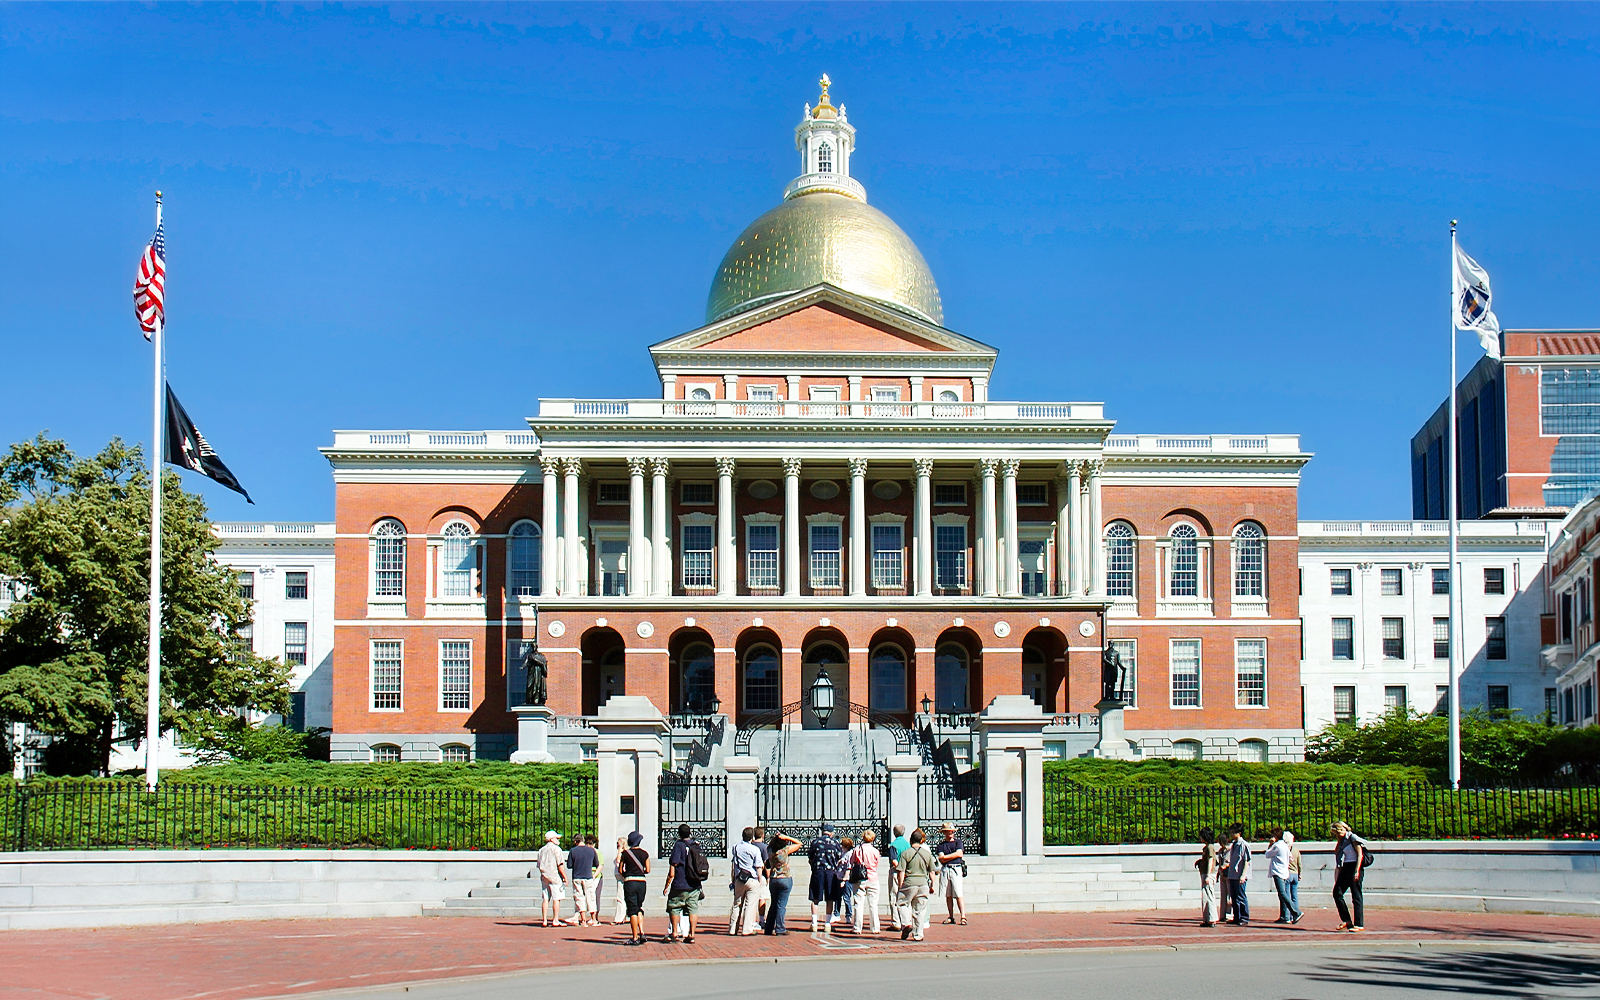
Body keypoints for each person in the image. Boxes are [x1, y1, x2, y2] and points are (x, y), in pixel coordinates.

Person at [662, 822, 702, 944]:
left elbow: (673, 867)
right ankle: (692, 934)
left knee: (674, 907)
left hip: (680, 882)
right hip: (694, 884)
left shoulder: (678, 845)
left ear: (679, 834)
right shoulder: (696, 845)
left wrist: (667, 884)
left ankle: (675, 932)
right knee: (693, 909)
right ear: (690, 833)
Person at [894, 828, 936, 941]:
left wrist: (900, 885)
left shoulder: (905, 853)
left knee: (902, 903)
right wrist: (932, 885)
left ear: (911, 840)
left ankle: (906, 923)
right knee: (920, 909)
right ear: (921, 840)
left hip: (909, 882)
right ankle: (918, 934)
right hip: (923, 884)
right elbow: (932, 871)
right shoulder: (927, 854)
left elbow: (901, 871)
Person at [762, 831, 802, 935]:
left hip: (774, 878)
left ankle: (769, 927)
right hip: (785, 877)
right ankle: (780, 928)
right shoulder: (784, 850)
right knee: (781, 905)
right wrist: (787, 837)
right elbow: (799, 843)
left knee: (774, 904)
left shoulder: (769, 850)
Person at [1330, 820, 1368, 932]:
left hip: (1354, 866)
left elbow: (1359, 854)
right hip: (1346, 866)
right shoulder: (1341, 841)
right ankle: (1347, 920)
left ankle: (1359, 924)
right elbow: (1339, 857)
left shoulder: (1352, 837)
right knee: (1337, 892)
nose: (1338, 834)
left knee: (1356, 895)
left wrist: (1357, 870)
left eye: (1338, 831)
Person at [808, 823, 845, 932]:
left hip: (817, 871)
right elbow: (839, 858)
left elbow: (810, 857)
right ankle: (827, 924)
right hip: (830, 872)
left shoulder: (815, 842)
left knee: (815, 898)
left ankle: (814, 923)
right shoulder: (835, 843)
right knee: (830, 898)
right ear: (831, 833)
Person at [617, 831, 651, 946]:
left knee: (632, 910)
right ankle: (642, 932)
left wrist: (627, 874)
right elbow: (648, 869)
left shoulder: (625, 854)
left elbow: (621, 869)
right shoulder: (645, 854)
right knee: (638, 907)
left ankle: (635, 937)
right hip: (642, 882)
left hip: (630, 881)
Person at [728, 826, 764, 936]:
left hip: (739, 878)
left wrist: (733, 879)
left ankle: (733, 928)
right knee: (750, 905)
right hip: (752, 878)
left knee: (737, 903)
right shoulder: (754, 849)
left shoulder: (736, 847)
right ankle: (747, 929)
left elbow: (734, 865)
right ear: (752, 837)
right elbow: (758, 866)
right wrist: (759, 879)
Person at [1264, 827, 1303, 925]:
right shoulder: (1285, 845)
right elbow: (1290, 857)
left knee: (1282, 893)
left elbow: (1267, 854)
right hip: (1285, 872)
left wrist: (1270, 844)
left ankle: (1295, 912)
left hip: (1278, 872)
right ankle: (1286, 916)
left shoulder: (1276, 845)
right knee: (1283, 894)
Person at [847, 829, 882, 934]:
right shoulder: (875, 851)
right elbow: (876, 864)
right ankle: (875, 927)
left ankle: (857, 927)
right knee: (873, 904)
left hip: (860, 878)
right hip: (873, 878)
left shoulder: (857, 849)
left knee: (858, 903)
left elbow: (851, 861)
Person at [935, 822, 967, 926]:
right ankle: (951, 916)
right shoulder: (941, 845)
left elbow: (959, 854)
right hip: (946, 870)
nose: (951, 833)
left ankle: (963, 916)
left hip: (956, 869)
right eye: (949, 831)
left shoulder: (958, 842)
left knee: (958, 893)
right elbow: (941, 859)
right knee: (948, 894)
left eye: (952, 831)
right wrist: (953, 856)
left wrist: (946, 857)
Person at [566, 833, 600, 927]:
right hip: (588, 876)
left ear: (575, 841)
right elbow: (596, 863)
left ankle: (583, 920)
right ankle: (593, 919)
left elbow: (569, 865)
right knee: (591, 897)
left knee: (579, 898)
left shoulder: (573, 851)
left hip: (577, 876)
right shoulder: (591, 850)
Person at [536, 830, 568, 928]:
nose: (558, 840)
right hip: (554, 876)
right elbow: (560, 865)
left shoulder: (541, 850)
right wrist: (565, 877)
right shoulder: (556, 849)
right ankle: (555, 920)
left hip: (544, 876)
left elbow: (538, 864)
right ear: (551, 839)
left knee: (545, 898)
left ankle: (545, 920)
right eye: (556, 838)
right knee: (556, 898)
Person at [1223, 824, 1252, 926]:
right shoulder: (1234, 844)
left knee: (1241, 896)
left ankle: (1244, 917)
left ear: (1239, 833)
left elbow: (1246, 861)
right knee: (1234, 897)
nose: (1231, 834)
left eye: (1233, 832)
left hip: (1239, 875)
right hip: (1232, 874)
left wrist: (1243, 875)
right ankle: (1237, 916)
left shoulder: (1243, 845)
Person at [1194, 826, 1221, 927]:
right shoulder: (1207, 847)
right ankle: (1207, 918)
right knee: (1205, 896)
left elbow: (1211, 860)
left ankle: (1212, 919)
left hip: (1208, 874)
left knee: (1209, 896)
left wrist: (1209, 875)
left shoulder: (1210, 847)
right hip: (1204, 872)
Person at [886, 824, 910, 930]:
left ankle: (896, 922)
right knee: (906, 897)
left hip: (896, 872)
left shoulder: (893, 845)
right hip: (907, 872)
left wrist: (900, 868)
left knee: (894, 896)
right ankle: (906, 920)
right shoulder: (908, 845)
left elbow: (894, 861)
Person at [835, 837, 857, 930]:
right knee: (837, 897)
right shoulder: (844, 853)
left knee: (846, 897)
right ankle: (836, 913)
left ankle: (848, 915)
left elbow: (849, 867)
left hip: (846, 878)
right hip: (839, 876)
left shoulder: (850, 854)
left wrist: (844, 880)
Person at [751, 826, 771, 926]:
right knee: (762, 898)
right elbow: (766, 863)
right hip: (761, 875)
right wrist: (768, 876)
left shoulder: (751, 845)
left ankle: (752, 920)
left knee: (752, 899)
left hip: (751, 875)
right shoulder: (764, 847)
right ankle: (762, 920)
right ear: (763, 835)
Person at [611, 836, 630, 924]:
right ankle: (625, 916)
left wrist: (619, 850)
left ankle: (619, 918)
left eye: (618, 844)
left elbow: (618, 862)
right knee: (623, 897)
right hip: (620, 876)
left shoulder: (622, 853)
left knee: (620, 897)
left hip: (621, 876)